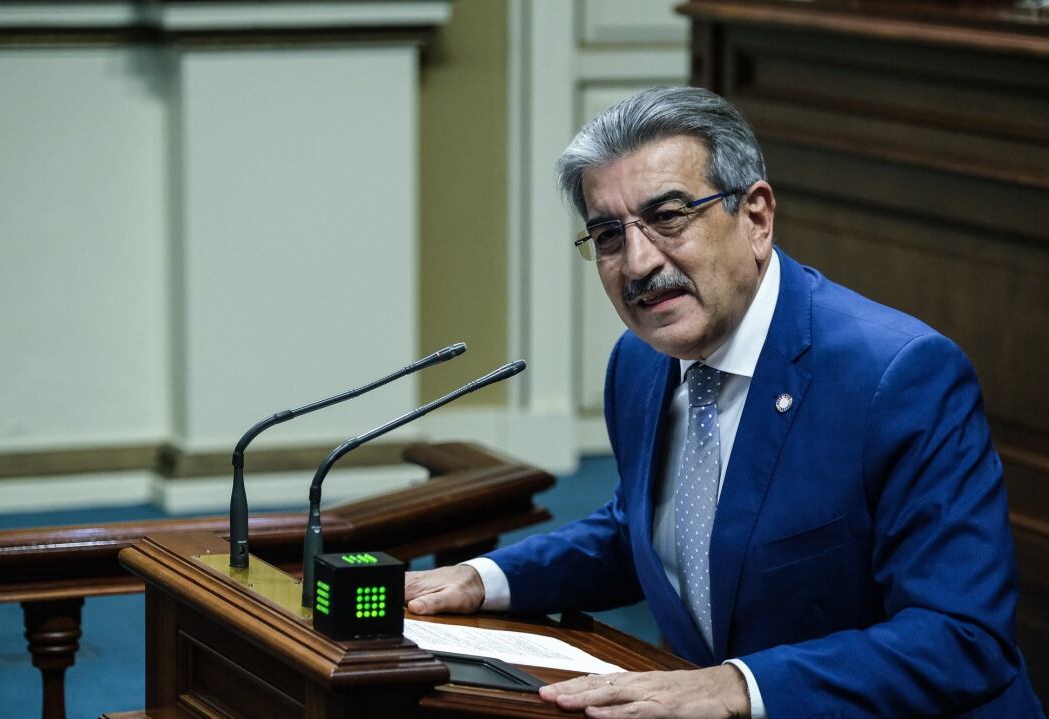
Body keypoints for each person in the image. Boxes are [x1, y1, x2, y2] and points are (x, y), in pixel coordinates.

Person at [404, 86, 1045, 718]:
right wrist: (482, 578)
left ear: (756, 216)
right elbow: (648, 533)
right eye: (606, 235)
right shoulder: (639, 362)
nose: (637, 262)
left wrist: (737, 687)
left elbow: (963, 638)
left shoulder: (897, 375)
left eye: (668, 217)